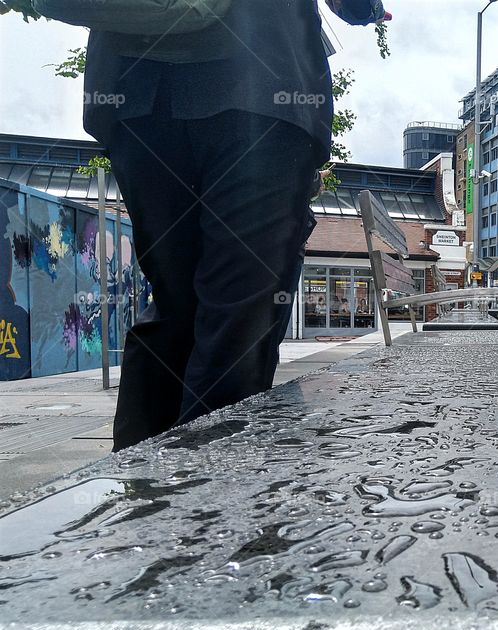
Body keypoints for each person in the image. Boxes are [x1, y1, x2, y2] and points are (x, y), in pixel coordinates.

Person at [83, 1, 389, 450]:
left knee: (174, 303)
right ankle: (209, 504)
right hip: (260, 83)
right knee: (239, 311)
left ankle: (140, 492)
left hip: (137, 88)